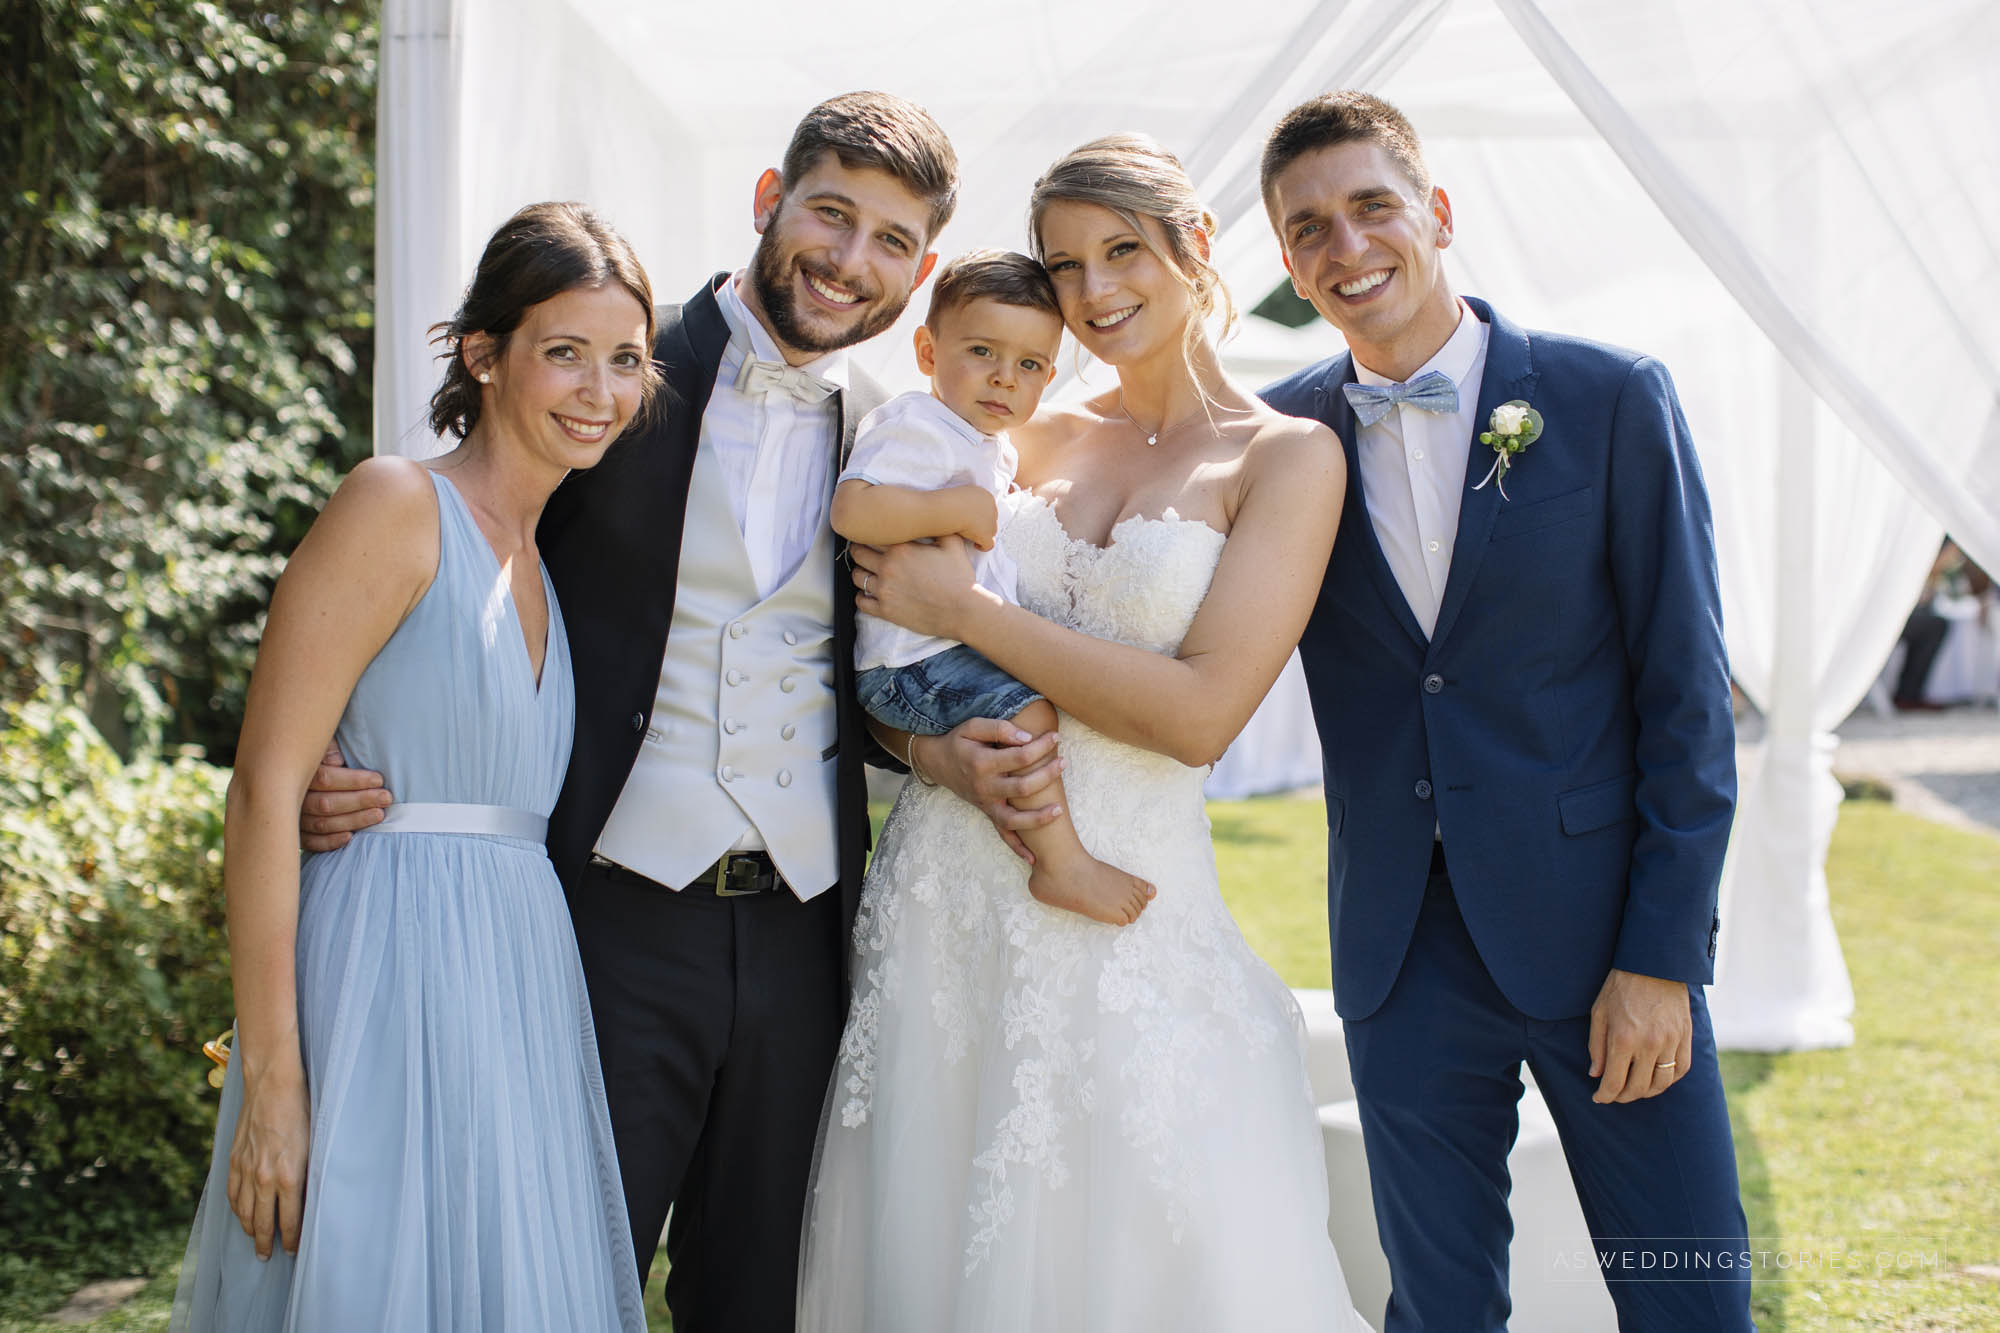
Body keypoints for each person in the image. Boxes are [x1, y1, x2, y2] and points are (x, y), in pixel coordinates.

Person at [297, 93, 1047, 1331]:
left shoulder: (893, 432)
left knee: (758, 1287)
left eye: (892, 240)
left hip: (807, 926)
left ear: (920, 272)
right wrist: (349, 742)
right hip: (606, 914)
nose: (850, 261)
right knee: (560, 1269)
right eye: (830, 214)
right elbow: (454, 546)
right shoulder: (612, 367)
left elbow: (849, 660)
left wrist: (930, 747)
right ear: (769, 201)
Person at [812, 133, 1370, 1332]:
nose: (1095, 289)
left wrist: (965, 609)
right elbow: (884, 655)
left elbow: (1197, 715)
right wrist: (930, 755)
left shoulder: (1286, 457)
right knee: (929, 1227)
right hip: (949, 887)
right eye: (1063, 267)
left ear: (1196, 248)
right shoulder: (1020, 433)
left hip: (1126, 896)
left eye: (1122, 250)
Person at [1258, 92, 1753, 1330]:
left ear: (1433, 210)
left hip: (1603, 943)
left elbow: (1685, 701)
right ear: (1284, 262)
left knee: (1687, 1294)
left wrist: (1657, 959)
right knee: (1435, 1307)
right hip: (1397, 951)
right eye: (1308, 226)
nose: (1346, 245)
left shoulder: (1607, 398)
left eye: (1371, 205)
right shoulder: (1274, 438)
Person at [172, 202, 656, 1331]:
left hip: (516, 994)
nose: (600, 390)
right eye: (566, 353)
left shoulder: (549, 557)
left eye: (625, 360)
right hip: (379, 982)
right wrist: (277, 1084)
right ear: (486, 356)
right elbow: (260, 792)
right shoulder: (394, 504)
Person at [833, 248, 1155, 926]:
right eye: (982, 351)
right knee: (1028, 718)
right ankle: (1062, 864)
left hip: (939, 648)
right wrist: (958, 510)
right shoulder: (915, 424)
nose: (1004, 378)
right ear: (927, 349)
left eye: (1031, 365)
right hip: (910, 659)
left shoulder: (986, 442)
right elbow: (854, 511)